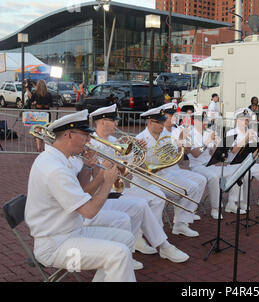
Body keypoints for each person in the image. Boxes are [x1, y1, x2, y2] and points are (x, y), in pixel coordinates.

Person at [24, 110, 136, 282]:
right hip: (55, 247)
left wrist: (91, 170)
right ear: (69, 135)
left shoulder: (60, 159)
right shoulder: (55, 169)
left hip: (71, 233)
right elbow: (89, 211)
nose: (89, 140)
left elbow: (82, 194)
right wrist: (107, 182)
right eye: (85, 135)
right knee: (119, 254)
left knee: (126, 240)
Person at [87, 104, 189, 263]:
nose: (117, 124)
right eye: (113, 121)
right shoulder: (90, 144)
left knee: (156, 197)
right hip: (99, 193)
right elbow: (90, 179)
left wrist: (136, 153)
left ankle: (148, 241)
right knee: (144, 202)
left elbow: (126, 170)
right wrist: (101, 169)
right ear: (101, 122)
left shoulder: (115, 141)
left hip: (116, 189)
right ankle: (155, 244)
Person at [137, 105, 206, 237]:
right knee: (190, 188)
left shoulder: (164, 137)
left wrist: (181, 146)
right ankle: (179, 222)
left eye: (164, 121)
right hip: (150, 178)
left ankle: (181, 222)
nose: (163, 124)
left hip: (166, 173)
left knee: (197, 183)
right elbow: (136, 168)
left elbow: (178, 160)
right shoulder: (140, 139)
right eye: (160, 122)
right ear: (150, 122)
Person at [187, 111, 237, 219]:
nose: (205, 123)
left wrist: (215, 145)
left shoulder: (207, 133)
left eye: (205, 120)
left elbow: (212, 153)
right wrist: (207, 142)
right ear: (194, 121)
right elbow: (195, 154)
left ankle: (232, 202)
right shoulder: (189, 134)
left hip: (210, 165)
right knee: (213, 177)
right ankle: (215, 208)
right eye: (202, 120)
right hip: (197, 166)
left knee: (235, 172)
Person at [226, 108, 259, 212]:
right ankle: (236, 202)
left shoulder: (252, 132)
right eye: (243, 119)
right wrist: (247, 139)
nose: (245, 122)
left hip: (250, 163)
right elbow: (234, 150)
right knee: (245, 175)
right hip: (235, 164)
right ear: (237, 120)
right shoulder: (231, 132)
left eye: (247, 120)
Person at [30, 80, 53, 152]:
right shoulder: (49, 94)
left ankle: (38, 147)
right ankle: (44, 147)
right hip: (46, 113)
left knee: (37, 129)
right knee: (45, 129)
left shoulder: (36, 93)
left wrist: (34, 103)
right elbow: (52, 104)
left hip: (38, 113)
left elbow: (30, 101)